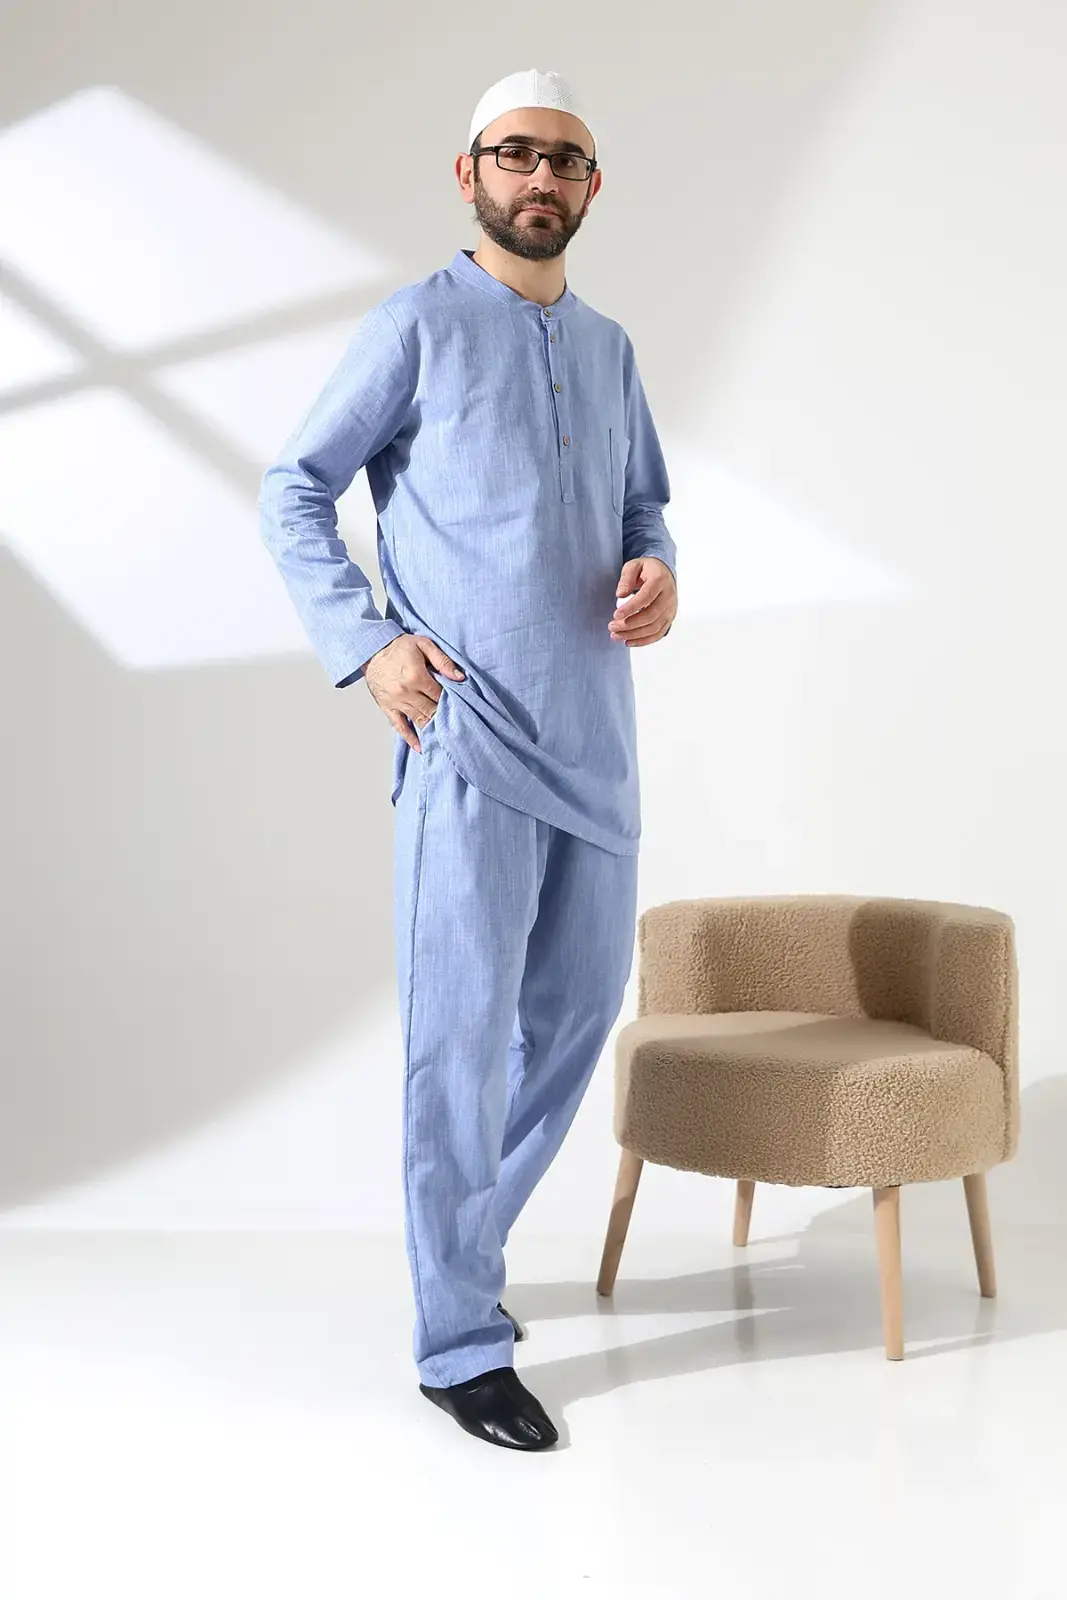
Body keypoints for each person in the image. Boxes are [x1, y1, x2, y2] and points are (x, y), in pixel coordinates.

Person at [258, 67, 677, 1451]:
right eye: (516, 155)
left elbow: (643, 505)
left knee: (574, 1017)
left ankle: (463, 1252)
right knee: (457, 1044)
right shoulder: (416, 325)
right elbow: (292, 486)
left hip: (597, 743)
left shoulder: (609, 348)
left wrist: (657, 572)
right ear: (469, 173)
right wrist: (368, 642)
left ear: (592, 187)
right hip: (467, 739)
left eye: (565, 161)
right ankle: (456, 1341)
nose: (540, 178)